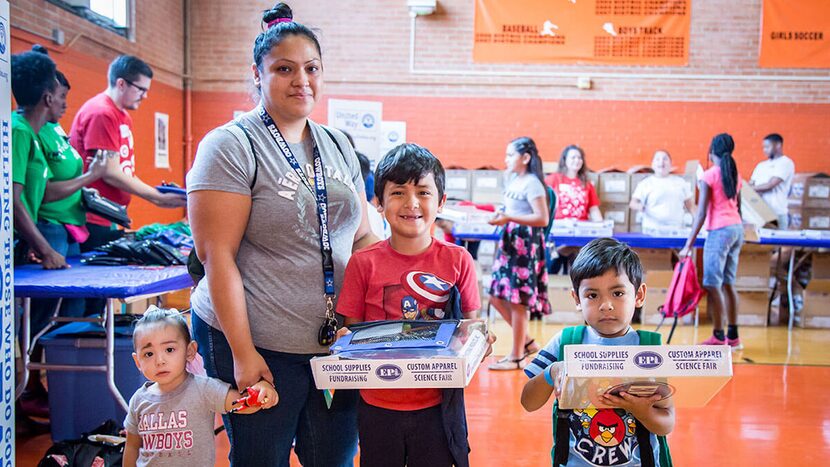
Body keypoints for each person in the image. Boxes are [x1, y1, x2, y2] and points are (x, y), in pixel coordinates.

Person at [186, 3, 379, 465]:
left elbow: (364, 240)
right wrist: (243, 352)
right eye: (284, 69)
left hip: (334, 348)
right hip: (257, 343)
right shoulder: (231, 145)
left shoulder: (337, 144)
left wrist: (389, 318)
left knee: (332, 457)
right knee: (261, 459)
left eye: (311, 68)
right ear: (257, 73)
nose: (302, 80)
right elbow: (217, 257)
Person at [337, 143, 481, 467]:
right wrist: (341, 345)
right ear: (378, 203)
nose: (412, 203)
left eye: (423, 192)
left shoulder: (458, 260)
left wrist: (478, 343)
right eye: (398, 192)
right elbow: (351, 330)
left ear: (441, 201)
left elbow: (473, 326)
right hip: (376, 403)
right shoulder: (363, 263)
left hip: (438, 407)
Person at [10, 47, 107, 432]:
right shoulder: (19, 131)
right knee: (24, 331)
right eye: (62, 95)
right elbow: (13, 200)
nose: (65, 102)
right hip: (29, 244)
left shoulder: (34, 135)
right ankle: (15, 407)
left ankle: (23, 403)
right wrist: (44, 247)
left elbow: (36, 196)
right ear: (48, 97)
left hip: (27, 246)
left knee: (33, 328)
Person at [521, 238, 675, 466]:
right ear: (577, 299)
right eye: (592, 295)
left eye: (618, 293)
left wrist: (643, 412)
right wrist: (551, 372)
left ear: (639, 295)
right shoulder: (565, 343)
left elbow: (667, 423)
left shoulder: (651, 350)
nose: (606, 305)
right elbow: (528, 402)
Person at [123, 307, 278, 467]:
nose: (160, 361)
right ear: (137, 362)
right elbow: (132, 445)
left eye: (169, 350)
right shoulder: (138, 400)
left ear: (190, 351)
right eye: (149, 354)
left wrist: (261, 394)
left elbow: (240, 404)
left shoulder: (204, 389)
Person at [69, 54, 186, 250]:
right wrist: (155, 197)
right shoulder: (101, 113)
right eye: (141, 89)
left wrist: (158, 192)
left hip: (111, 213)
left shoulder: (122, 115)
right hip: (93, 216)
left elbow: (122, 169)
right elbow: (110, 173)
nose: (145, 96)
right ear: (121, 84)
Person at [488, 137, 551, 370]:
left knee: (518, 302)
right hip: (510, 242)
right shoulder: (514, 179)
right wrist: (501, 214)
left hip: (525, 244)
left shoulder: (533, 183)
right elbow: (512, 209)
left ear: (525, 158)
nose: (506, 160)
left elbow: (541, 218)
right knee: (496, 296)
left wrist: (509, 218)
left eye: (510, 155)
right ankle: (526, 342)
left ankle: (516, 357)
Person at [680, 133, 743, 349]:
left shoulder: (708, 176)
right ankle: (733, 336)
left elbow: (701, 214)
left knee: (712, 283)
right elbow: (738, 206)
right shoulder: (734, 173)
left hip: (720, 231)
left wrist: (688, 245)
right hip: (736, 228)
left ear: (711, 150)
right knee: (728, 283)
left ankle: (718, 335)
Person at [630, 150, 695, 232]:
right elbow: (633, 203)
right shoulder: (645, 183)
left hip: (676, 230)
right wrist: (640, 207)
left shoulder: (681, 182)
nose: (661, 162)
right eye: (657, 159)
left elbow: (691, 206)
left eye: (665, 159)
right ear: (652, 164)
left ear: (671, 164)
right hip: (652, 229)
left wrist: (701, 223)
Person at [544, 145, 602, 222]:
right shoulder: (552, 179)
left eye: (579, 158)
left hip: (580, 228)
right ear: (565, 160)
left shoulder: (587, 184)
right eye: (573, 157)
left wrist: (601, 227)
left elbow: (594, 209)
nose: (577, 160)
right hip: (558, 228)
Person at [750, 133, 794, 229]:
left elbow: (770, 185)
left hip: (777, 213)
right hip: (759, 214)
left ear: (778, 145)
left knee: (777, 243)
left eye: (767, 146)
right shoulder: (761, 166)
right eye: (763, 147)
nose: (764, 150)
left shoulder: (785, 163)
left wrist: (751, 189)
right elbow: (751, 184)